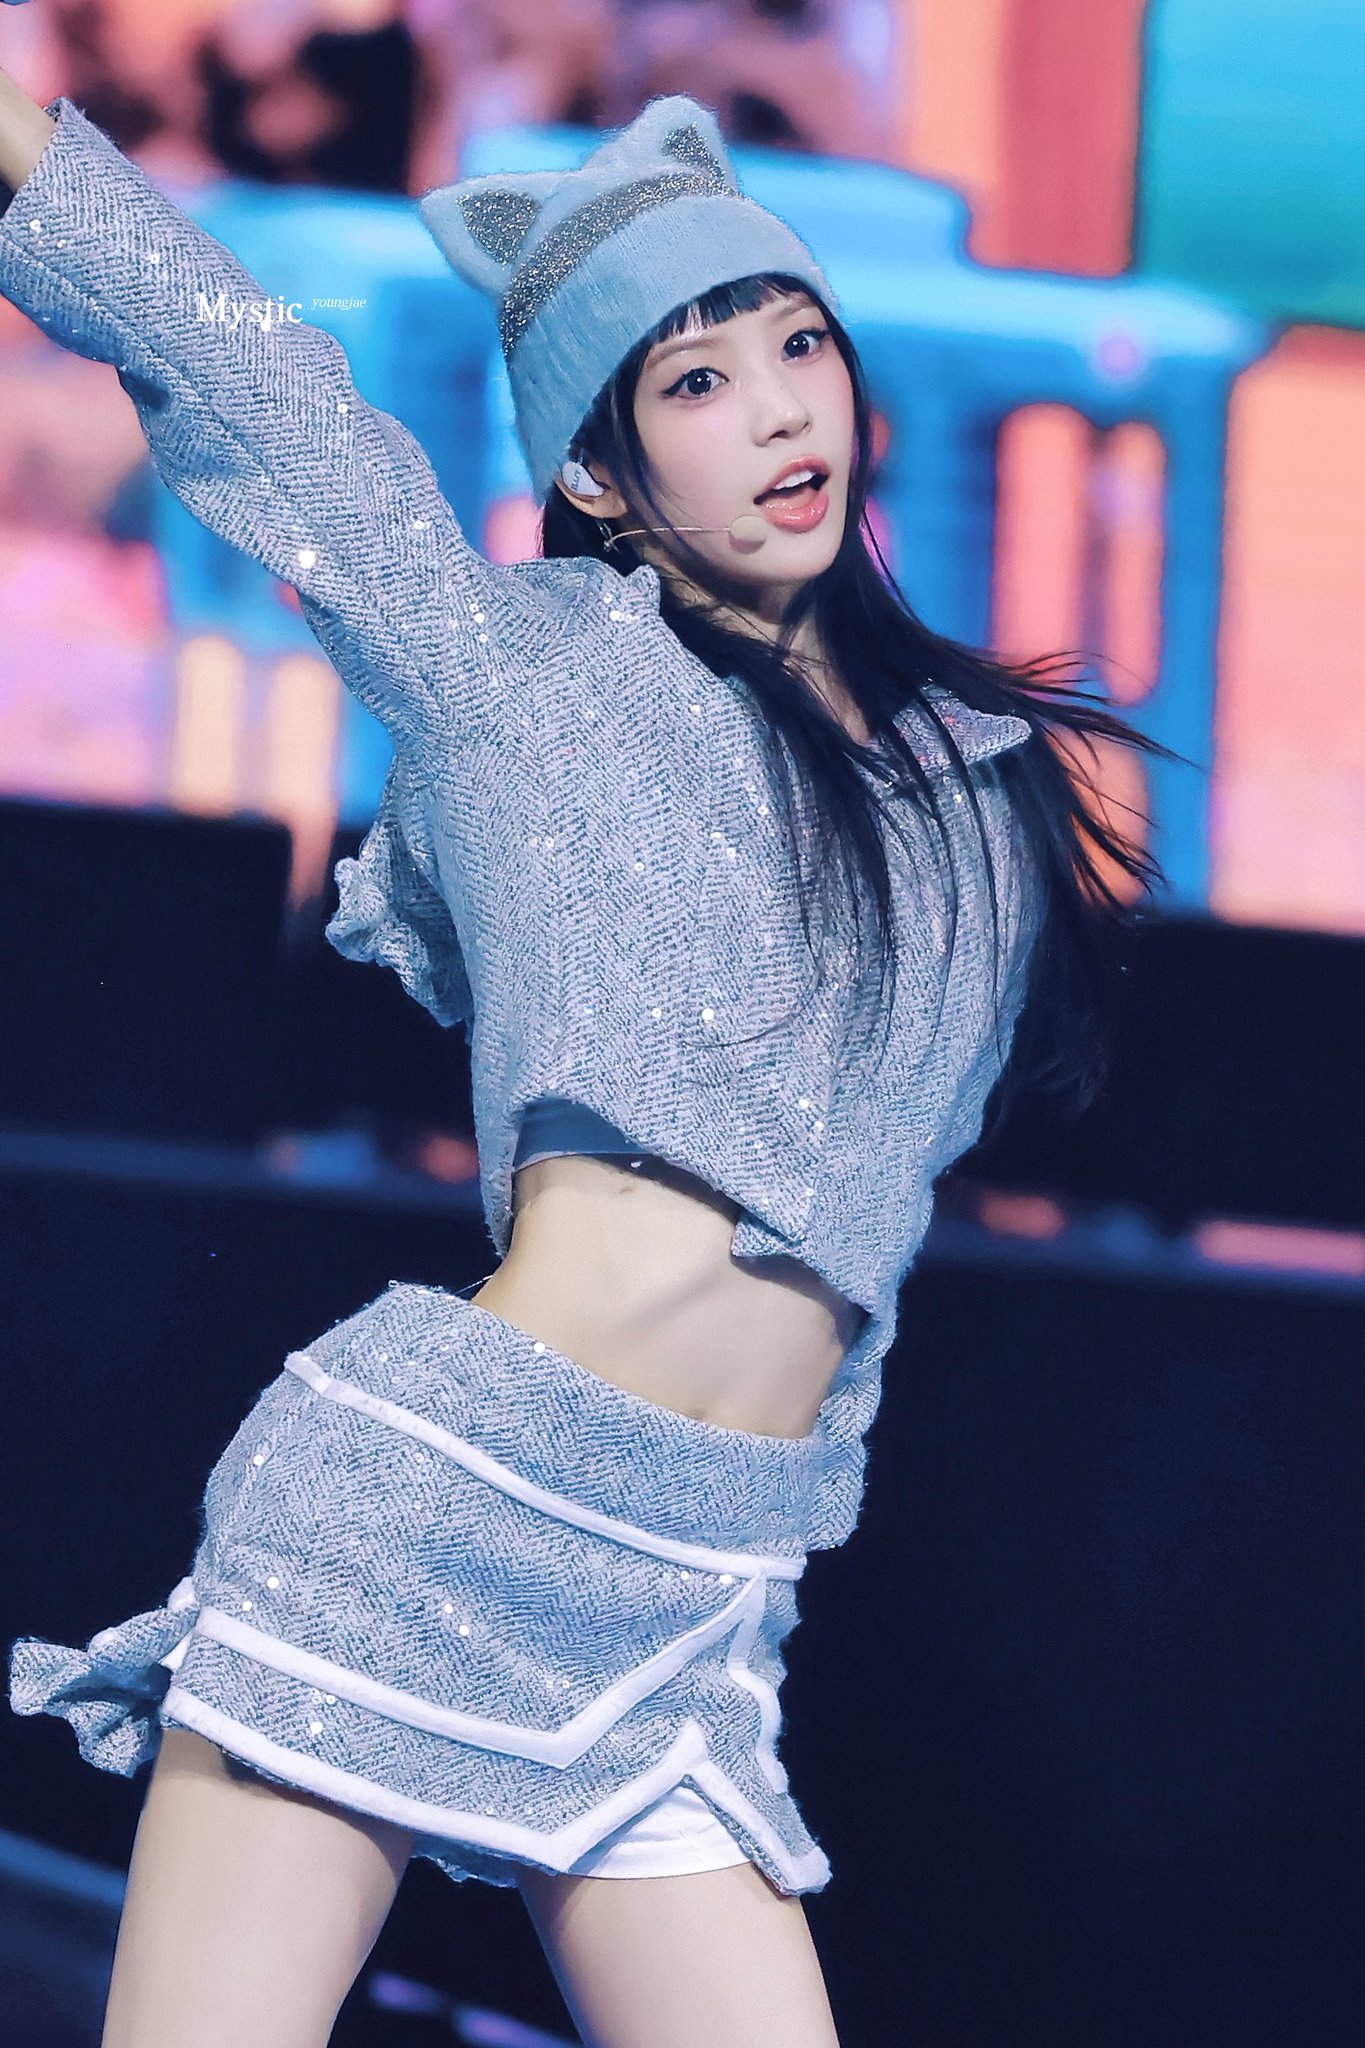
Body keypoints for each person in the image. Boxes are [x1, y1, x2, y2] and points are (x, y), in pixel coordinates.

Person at [0, 70, 1178, 2048]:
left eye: (795, 344)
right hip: (437, 1512)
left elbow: (866, 1239)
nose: (779, 408)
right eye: (696, 380)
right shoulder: (529, 678)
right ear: (604, 478)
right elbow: (260, 387)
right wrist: (27, 145)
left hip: (699, 1596)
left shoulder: (977, 796)